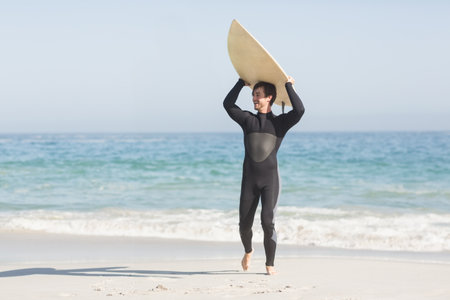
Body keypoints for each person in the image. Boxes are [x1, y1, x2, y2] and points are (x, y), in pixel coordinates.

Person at [223, 76, 305, 275]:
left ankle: (270, 264)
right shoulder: (247, 120)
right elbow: (227, 104)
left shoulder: (280, 123)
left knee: (267, 221)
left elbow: (300, 110)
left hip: (270, 181)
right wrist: (240, 83)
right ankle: (248, 251)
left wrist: (287, 86)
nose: (253, 98)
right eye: (253, 95)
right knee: (244, 225)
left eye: (257, 95)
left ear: (269, 98)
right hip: (249, 181)